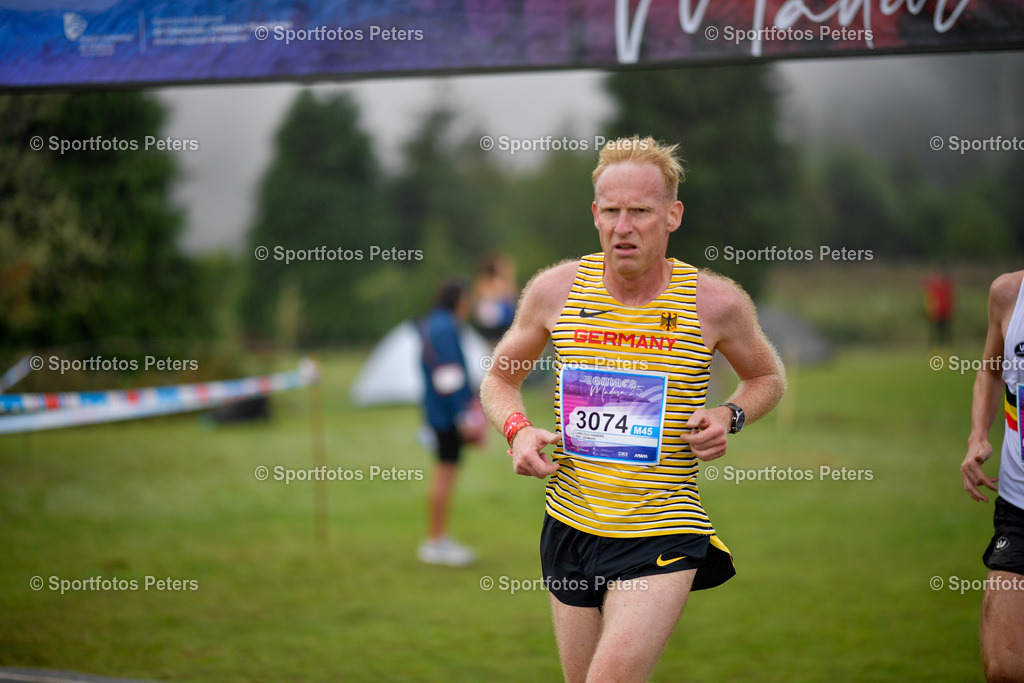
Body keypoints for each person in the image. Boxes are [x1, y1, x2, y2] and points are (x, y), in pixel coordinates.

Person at [480, 135, 786, 682]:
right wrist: (518, 430)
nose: (624, 226)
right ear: (595, 214)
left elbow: (767, 377)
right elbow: (499, 379)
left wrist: (728, 415)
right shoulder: (555, 291)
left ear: (673, 215)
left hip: (662, 531)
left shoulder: (714, 303)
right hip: (568, 523)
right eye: (612, 211)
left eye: (641, 211)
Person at [960, 270, 1024, 682]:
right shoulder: (1008, 293)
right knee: (1003, 668)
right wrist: (978, 435)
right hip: (1018, 506)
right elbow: (990, 369)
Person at [417, 278, 483, 567]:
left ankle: (437, 538)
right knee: (445, 473)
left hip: (437, 411)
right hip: (446, 414)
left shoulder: (432, 323)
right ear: (458, 299)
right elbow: (449, 374)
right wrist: (464, 414)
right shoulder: (446, 327)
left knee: (444, 472)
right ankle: (436, 540)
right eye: (468, 299)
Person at [472, 252, 518, 346]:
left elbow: (512, 297)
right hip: (491, 320)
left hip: (499, 319)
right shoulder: (487, 280)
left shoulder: (499, 281)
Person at [924, 266, 956, 348]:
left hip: (945, 312)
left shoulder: (947, 285)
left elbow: (951, 298)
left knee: (946, 332)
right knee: (934, 332)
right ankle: (933, 348)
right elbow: (929, 297)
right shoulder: (933, 285)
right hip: (935, 313)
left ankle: (947, 348)